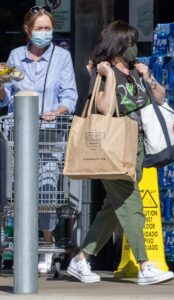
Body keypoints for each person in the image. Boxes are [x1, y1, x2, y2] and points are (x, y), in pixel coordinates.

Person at [67, 20, 174, 285]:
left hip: (136, 148)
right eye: (129, 42)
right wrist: (110, 76)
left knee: (112, 210)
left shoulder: (135, 71)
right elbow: (104, 108)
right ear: (117, 45)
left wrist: (148, 77)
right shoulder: (102, 72)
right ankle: (145, 265)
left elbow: (159, 97)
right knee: (130, 204)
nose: (133, 47)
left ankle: (81, 259)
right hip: (113, 147)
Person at [0, 5, 78, 273]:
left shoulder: (62, 57)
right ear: (27, 30)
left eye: (48, 28)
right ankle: (20, 243)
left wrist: (56, 111)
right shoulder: (15, 56)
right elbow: (7, 97)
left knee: (47, 188)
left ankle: (46, 240)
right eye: (39, 28)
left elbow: (70, 95)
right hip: (19, 134)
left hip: (49, 133)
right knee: (17, 191)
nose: (44, 33)